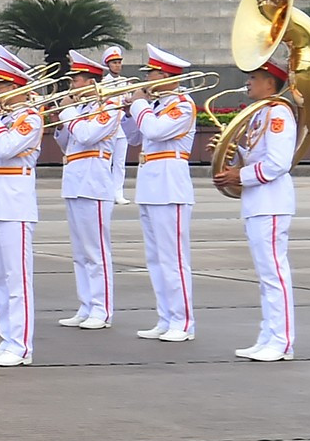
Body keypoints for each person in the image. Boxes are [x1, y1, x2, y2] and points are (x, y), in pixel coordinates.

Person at [213, 57, 300, 362]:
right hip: (258, 202)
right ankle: (268, 335)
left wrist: (240, 175)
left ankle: (282, 341)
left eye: (254, 77)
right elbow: (255, 156)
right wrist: (230, 155)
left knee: (274, 273)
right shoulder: (259, 115)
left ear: (269, 82)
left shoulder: (279, 114)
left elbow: (278, 163)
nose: (248, 82)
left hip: (271, 201)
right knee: (266, 275)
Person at [125, 45, 199, 343]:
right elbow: (134, 137)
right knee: (155, 259)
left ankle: (183, 322)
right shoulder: (154, 105)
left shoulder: (182, 105)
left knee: (174, 259)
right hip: (150, 186)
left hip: (170, 187)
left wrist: (139, 105)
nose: (147, 79)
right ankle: (166, 317)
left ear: (167, 76)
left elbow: (155, 131)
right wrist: (127, 110)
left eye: (152, 74)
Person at [0, 46, 42, 367]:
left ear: (15, 88)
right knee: (0, 279)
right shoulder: (1, 119)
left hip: (14, 204)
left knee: (17, 280)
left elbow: (5, 148)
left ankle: (21, 346)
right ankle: (6, 340)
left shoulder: (30, 117)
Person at [54, 51, 119, 331]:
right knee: (80, 252)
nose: (73, 86)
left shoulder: (110, 106)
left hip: (94, 184)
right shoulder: (78, 110)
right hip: (75, 182)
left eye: (77, 80)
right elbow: (66, 142)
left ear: (92, 82)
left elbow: (86, 135)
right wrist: (61, 119)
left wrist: (67, 111)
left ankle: (102, 309)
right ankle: (86, 305)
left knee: (96, 252)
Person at [102, 44, 131, 204]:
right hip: (108, 127)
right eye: (114, 62)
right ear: (108, 65)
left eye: (119, 62)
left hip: (122, 127)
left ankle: (118, 193)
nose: (117, 65)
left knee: (120, 163)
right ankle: (106, 191)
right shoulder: (103, 83)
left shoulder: (126, 82)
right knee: (106, 161)